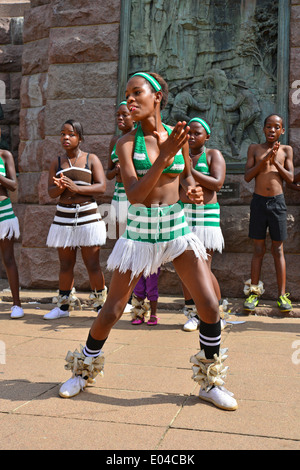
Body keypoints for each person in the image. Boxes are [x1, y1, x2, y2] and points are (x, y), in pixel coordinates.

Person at [58, 72, 237, 411]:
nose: (130, 99)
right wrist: (163, 158)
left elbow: (185, 181)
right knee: (111, 311)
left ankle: (210, 382)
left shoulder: (177, 135)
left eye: (136, 92)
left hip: (175, 230)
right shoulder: (125, 143)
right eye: (126, 94)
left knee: (210, 306)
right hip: (139, 233)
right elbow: (137, 195)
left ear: (157, 97)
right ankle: (82, 371)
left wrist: (193, 192)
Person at [44, 119, 107, 320]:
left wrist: (77, 188)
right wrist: (61, 187)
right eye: (62, 134)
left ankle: (100, 306)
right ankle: (63, 306)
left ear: (80, 138)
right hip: (64, 217)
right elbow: (51, 193)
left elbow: (101, 187)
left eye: (71, 134)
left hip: (88, 216)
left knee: (92, 264)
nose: (66, 137)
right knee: (65, 264)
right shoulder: (57, 161)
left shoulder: (91, 159)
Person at [243, 114, 294, 313]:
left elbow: (289, 178)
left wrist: (276, 162)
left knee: (278, 249)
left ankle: (282, 296)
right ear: (263, 129)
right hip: (258, 203)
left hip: (277, 203)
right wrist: (264, 160)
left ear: (282, 130)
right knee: (258, 249)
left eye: (277, 127)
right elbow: (247, 177)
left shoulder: (286, 150)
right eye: (269, 127)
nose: (272, 130)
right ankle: (254, 292)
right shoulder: (254, 149)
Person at [182, 117, 226, 331]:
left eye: (196, 133)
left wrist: (190, 171)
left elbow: (217, 183)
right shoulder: (180, 155)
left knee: (203, 268)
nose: (191, 137)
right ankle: (192, 314)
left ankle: (216, 313)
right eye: (189, 132)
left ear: (207, 136)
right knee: (185, 269)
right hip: (182, 216)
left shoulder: (212, 154)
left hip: (206, 217)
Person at [0, 127, 23, 319]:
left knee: (8, 258)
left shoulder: (4, 155)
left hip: (3, 212)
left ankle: (17, 304)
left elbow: (14, 185)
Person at [106, 101, 135, 238]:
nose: (120, 118)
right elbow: (108, 174)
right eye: (118, 115)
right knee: (120, 238)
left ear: (134, 117)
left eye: (125, 115)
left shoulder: (139, 139)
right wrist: (117, 171)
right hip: (119, 194)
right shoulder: (115, 141)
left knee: (136, 238)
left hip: (135, 193)